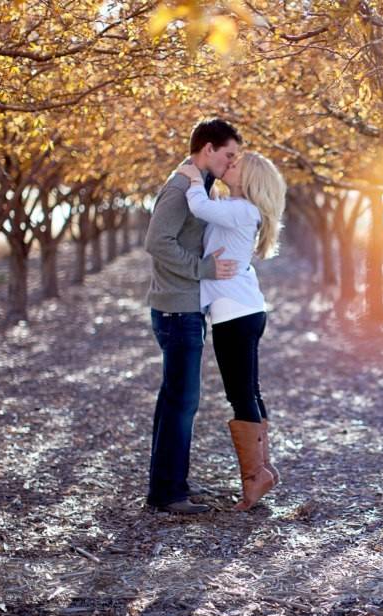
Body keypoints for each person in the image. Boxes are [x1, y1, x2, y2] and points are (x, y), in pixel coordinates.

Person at [143, 118, 242, 515]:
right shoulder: (182, 186)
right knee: (183, 402)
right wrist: (202, 268)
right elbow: (156, 241)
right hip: (176, 309)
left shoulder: (198, 186)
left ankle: (167, 485)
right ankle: (169, 494)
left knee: (175, 401)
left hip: (185, 306)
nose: (231, 161)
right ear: (207, 149)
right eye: (228, 154)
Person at [176, 151, 285, 511]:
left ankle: (254, 479)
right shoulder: (239, 206)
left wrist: (192, 178)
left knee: (240, 395)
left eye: (234, 165)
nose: (228, 166)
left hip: (235, 315)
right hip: (243, 310)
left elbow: (200, 208)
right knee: (248, 392)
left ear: (248, 177)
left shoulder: (241, 209)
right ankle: (263, 469)